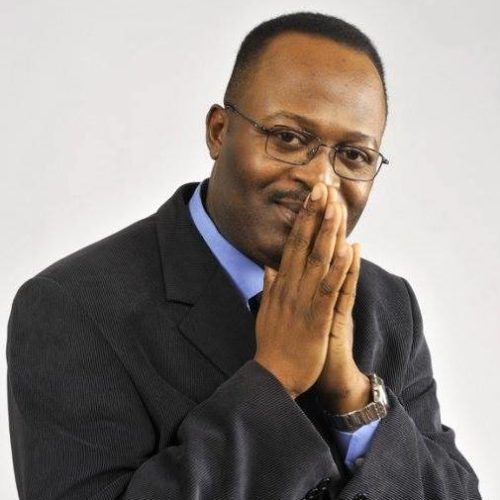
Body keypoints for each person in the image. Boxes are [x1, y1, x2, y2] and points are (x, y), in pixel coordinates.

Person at [6, 11, 481, 500]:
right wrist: (274, 379)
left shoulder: (388, 306)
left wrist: (352, 398)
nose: (321, 180)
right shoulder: (73, 308)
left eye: (354, 155)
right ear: (218, 131)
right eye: (288, 138)